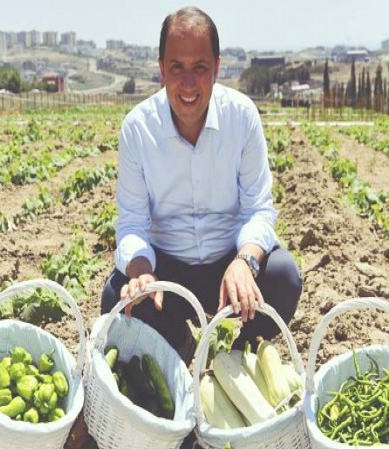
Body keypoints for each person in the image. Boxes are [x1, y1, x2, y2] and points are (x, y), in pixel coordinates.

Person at [100, 6, 302, 364]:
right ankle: (180, 346)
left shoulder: (242, 116)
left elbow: (258, 209)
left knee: (284, 275)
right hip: (168, 267)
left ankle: (238, 359)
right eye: (177, 67)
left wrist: (245, 263)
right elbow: (131, 222)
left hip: (229, 265)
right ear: (161, 68)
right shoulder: (137, 128)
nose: (189, 84)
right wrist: (142, 274)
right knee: (117, 296)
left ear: (217, 68)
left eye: (200, 68)